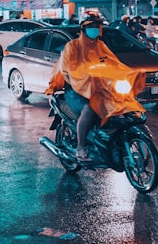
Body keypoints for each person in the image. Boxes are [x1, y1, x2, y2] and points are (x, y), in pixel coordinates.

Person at [46, 13, 134, 162]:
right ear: (83, 28)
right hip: (74, 90)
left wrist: (129, 75)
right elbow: (67, 71)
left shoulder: (101, 46)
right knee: (89, 108)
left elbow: (115, 64)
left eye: (96, 26)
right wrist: (84, 80)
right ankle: (80, 147)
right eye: (90, 26)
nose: (94, 29)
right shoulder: (72, 47)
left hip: (98, 89)